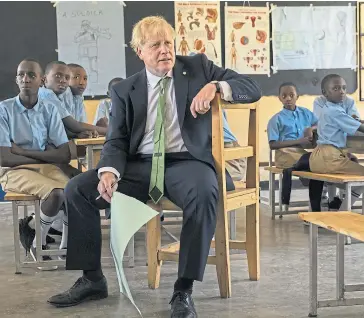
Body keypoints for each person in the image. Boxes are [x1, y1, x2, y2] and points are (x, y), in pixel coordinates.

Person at [47, 16, 261, 316]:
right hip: (139, 166)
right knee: (76, 189)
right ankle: (92, 278)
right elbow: (117, 140)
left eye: (169, 43)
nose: (165, 51)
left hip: (186, 163)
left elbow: (251, 87)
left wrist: (215, 86)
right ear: (140, 52)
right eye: (155, 45)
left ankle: (183, 290)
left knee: (204, 192)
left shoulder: (198, 68)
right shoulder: (125, 90)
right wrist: (108, 171)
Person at [0, 59, 71, 269]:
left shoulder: (49, 109)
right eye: (21, 75)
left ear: (41, 80)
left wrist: (21, 151)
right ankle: (37, 245)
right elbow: (4, 158)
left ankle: (58, 246)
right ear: (16, 79)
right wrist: (43, 154)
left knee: (73, 192)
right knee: (56, 193)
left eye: (31, 75)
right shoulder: (4, 109)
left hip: (43, 167)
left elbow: (65, 153)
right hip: (13, 170)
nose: (25, 79)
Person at [310, 74, 364, 210]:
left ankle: (336, 205)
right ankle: (341, 214)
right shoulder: (335, 111)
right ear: (325, 93)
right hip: (329, 158)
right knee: (361, 179)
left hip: (320, 156)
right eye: (336, 88)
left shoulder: (330, 108)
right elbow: (359, 127)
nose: (342, 92)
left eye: (344, 88)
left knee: (354, 169)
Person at [39, 61, 107, 138]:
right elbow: (74, 126)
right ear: (44, 79)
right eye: (58, 76)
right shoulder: (47, 94)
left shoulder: (75, 97)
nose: (63, 80)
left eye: (67, 78)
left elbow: (66, 128)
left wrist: (81, 133)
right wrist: (108, 131)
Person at [267, 82, 317, 169]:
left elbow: (320, 124)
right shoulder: (276, 119)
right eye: (284, 96)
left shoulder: (305, 113)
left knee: (320, 161)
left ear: (297, 96)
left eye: (291, 95)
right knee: (309, 163)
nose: (288, 98)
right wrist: (299, 141)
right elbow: (272, 145)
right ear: (279, 98)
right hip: (285, 153)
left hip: (304, 152)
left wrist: (311, 128)